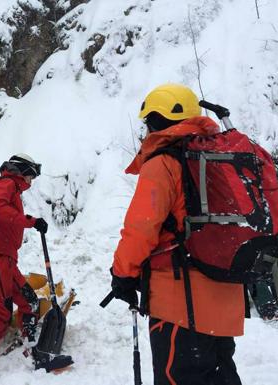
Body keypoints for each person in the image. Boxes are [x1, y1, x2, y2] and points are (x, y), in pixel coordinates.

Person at [110, 84, 244, 385]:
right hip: (225, 295)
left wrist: (122, 275)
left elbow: (141, 228)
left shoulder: (163, 163)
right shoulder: (220, 158)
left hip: (181, 304)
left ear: (156, 121)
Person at [0, 153, 48, 379]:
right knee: (1, 309)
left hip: (5, 257)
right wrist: (30, 221)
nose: (31, 183)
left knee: (29, 301)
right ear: (21, 171)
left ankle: (32, 347)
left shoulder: (10, 187)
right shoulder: (6, 184)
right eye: (30, 177)